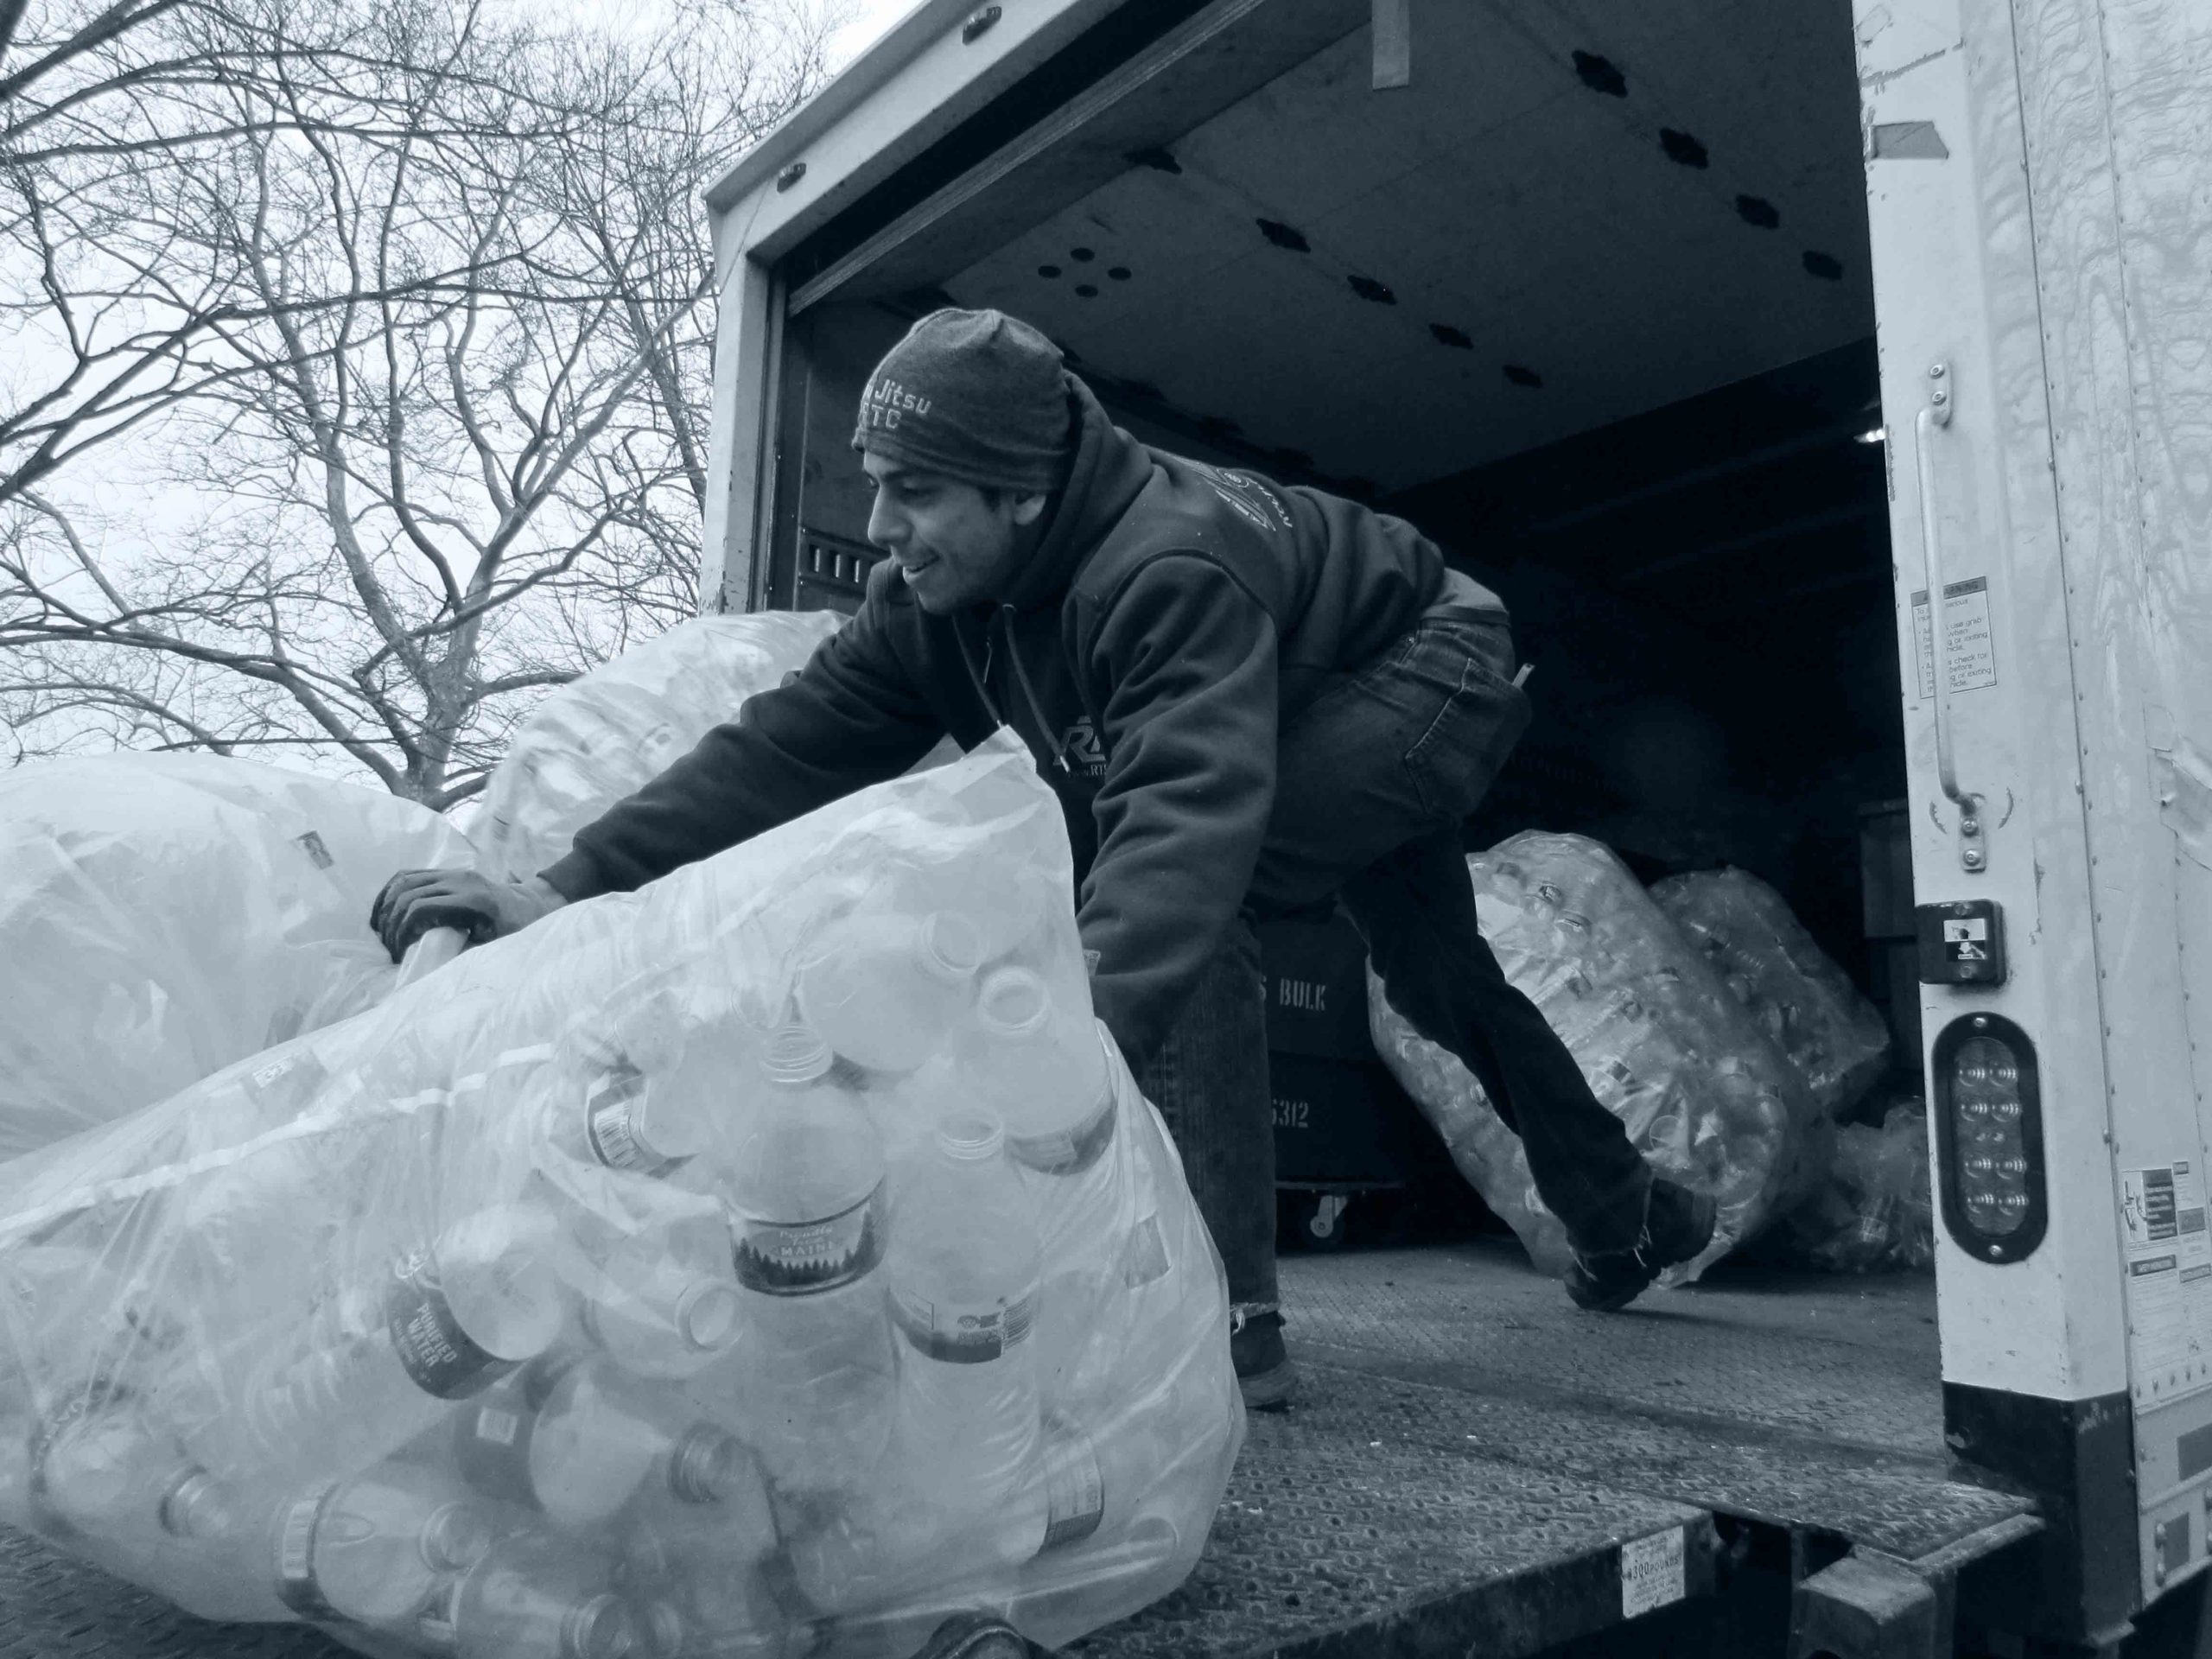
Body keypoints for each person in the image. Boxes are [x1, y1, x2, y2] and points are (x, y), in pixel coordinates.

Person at [373, 308, 1714, 1411]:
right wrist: (563, 885)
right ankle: (1630, 1213)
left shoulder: (1165, 567)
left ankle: (1226, 1318)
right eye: (874, 487)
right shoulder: (933, 606)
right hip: (1302, 679)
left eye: (914, 492)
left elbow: (1182, 840)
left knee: (1208, 894)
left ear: (1020, 491)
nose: (881, 526)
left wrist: (1059, 1074)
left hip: (1424, 659)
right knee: (1435, 978)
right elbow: (781, 748)